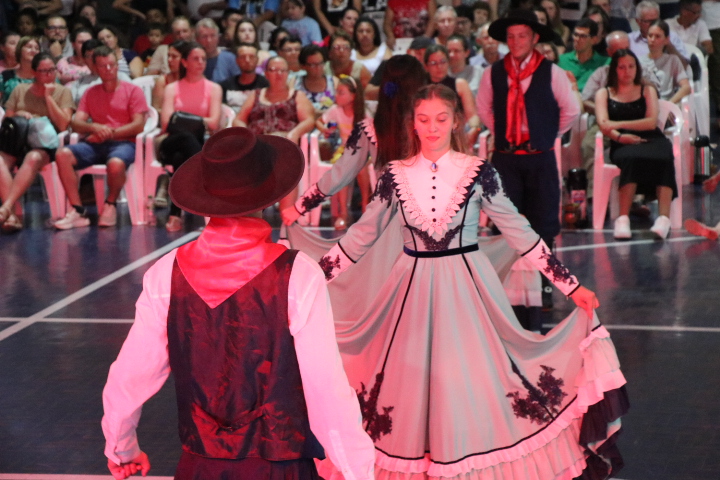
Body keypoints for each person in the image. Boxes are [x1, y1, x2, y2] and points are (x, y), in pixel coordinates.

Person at [312, 84, 626, 480]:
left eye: (441, 119)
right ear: (413, 124)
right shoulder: (394, 175)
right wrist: (311, 281)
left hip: (467, 293)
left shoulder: (478, 172)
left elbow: (520, 232)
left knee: (469, 381)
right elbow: (360, 236)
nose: (432, 128)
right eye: (424, 119)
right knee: (412, 383)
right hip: (410, 295)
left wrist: (571, 285)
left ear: (456, 122)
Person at [101, 126, 376, 480]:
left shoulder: (166, 274)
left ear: (205, 196)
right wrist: (357, 471)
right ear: (268, 196)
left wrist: (121, 448)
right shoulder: (296, 275)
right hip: (280, 468)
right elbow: (326, 389)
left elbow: (128, 377)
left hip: (200, 467)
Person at [477, 10, 580, 328]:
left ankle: (544, 284)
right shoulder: (493, 73)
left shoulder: (552, 73)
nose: (516, 41)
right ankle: (506, 287)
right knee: (505, 222)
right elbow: (484, 109)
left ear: (534, 38)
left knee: (543, 223)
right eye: (511, 37)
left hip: (540, 157)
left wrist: (546, 135)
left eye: (522, 36)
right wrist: (505, 136)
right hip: (506, 158)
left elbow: (571, 111)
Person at [283, 54, 427, 225]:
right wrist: (300, 206)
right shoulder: (372, 128)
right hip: (410, 219)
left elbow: (340, 173)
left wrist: (299, 207)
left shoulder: (374, 128)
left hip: (405, 220)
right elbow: (340, 172)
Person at [53, 46, 148, 230]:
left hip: (124, 143)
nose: (108, 69)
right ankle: (77, 210)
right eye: (103, 66)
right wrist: (93, 127)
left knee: (115, 164)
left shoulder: (133, 91)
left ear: (117, 66)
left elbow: (138, 125)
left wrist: (107, 134)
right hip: (96, 144)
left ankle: (110, 204)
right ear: (95, 68)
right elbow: (76, 122)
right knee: (62, 154)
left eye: (111, 65)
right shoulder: (91, 92)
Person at [595, 49, 677, 239]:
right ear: (614, 70)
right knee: (631, 157)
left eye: (631, 66)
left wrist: (618, 124)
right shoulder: (604, 93)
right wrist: (620, 137)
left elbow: (651, 122)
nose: (627, 71)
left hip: (652, 137)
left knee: (664, 156)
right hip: (622, 141)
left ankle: (664, 219)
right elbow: (603, 124)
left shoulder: (647, 90)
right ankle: (623, 218)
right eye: (622, 67)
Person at [581, 30, 661, 197]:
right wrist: (603, 110)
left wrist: (638, 79)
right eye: (619, 50)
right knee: (589, 144)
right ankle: (594, 194)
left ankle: (639, 196)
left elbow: (656, 95)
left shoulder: (640, 70)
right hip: (606, 122)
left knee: (642, 145)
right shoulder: (602, 73)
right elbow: (585, 100)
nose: (624, 53)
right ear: (609, 52)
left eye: (627, 48)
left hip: (636, 121)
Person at [0, 53, 74, 232]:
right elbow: (7, 120)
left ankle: (7, 208)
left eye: (52, 70)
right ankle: (13, 215)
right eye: (43, 71)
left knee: (33, 158)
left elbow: (63, 124)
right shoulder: (20, 90)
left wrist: (49, 97)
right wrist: (19, 114)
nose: (49, 74)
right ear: (34, 72)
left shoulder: (63, 92)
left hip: (45, 145)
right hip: (18, 141)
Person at [157, 41, 223, 232]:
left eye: (203, 59)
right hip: (171, 143)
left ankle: (175, 214)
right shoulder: (172, 88)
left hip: (195, 146)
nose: (201, 62)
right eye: (196, 59)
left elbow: (214, 123)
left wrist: (181, 118)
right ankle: (208, 191)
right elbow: (166, 123)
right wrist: (198, 122)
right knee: (185, 138)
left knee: (182, 158)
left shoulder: (214, 88)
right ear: (184, 62)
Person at [316, 75, 369, 227]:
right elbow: (318, 121)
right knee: (343, 168)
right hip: (345, 149)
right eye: (337, 91)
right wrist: (325, 129)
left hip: (363, 150)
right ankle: (343, 213)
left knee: (362, 168)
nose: (336, 95)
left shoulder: (363, 114)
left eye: (341, 92)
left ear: (353, 96)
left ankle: (366, 206)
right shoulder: (335, 110)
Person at [424, 44, 480, 141]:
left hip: (455, 136)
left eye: (443, 62)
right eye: (433, 63)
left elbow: (472, 115)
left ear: (448, 62)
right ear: (426, 66)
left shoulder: (460, 84)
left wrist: (475, 128)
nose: (439, 66)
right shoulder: (421, 88)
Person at [641, 20, 691, 104]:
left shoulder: (673, 60)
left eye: (657, 36)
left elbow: (686, 87)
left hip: (667, 103)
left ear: (666, 40)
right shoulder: (638, 61)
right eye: (650, 35)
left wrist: (669, 104)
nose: (652, 40)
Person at [70, 39, 133, 105]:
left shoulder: (120, 76)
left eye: (95, 55)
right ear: (84, 59)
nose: (93, 60)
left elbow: (132, 98)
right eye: (89, 56)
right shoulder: (80, 82)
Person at [631, 1, 690, 66]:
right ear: (638, 21)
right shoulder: (629, 40)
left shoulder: (672, 37)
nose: (653, 24)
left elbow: (685, 66)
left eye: (655, 20)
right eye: (648, 21)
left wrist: (668, 44)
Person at [558, 18, 609, 92]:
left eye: (583, 36)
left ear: (594, 40)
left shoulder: (605, 63)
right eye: (575, 35)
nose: (577, 39)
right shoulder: (561, 60)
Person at [221, 42, 269, 113]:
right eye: (243, 57)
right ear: (237, 61)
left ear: (257, 60)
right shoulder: (225, 85)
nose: (247, 60)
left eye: (251, 57)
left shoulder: (266, 85)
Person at [195, 18, 240, 84]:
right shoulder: (193, 60)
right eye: (204, 36)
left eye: (212, 36)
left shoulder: (229, 58)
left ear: (218, 38)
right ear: (197, 39)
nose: (209, 40)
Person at [296, 44, 336, 115]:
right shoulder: (296, 83)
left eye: (321, 63)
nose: (318, 68)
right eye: (313, 65)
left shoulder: (334, 82)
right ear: (303, 66)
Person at [0, 36, 40, 105]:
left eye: (37, 48)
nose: (33, 51)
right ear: (19, 50)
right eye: (29, 47)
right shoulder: (5, 76)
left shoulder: (46, 76)